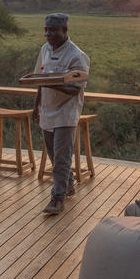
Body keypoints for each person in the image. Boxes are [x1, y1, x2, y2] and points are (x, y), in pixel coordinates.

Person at [33, 13, 91, 215]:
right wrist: (36, 106)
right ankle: (68, 185)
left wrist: (52, 84)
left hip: (66, 111)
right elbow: (38, 80)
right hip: (47, 109)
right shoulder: (45, 50)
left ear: (64, 31)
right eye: (46, 29)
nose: (48, 34)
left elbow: (76, 88)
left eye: (53, 30)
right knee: (53, 154)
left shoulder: (76, 55)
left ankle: (57, 198)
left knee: (62, 156)